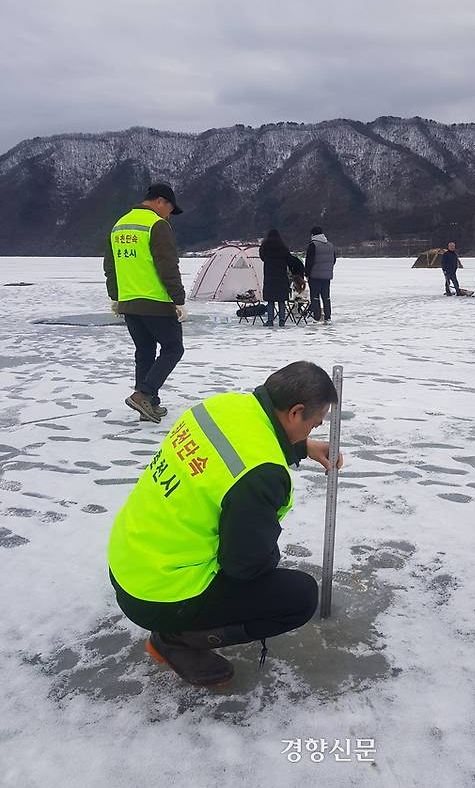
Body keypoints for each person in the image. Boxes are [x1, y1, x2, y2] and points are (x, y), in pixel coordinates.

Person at [107, 361, 343, 687]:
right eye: (313, 426)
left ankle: (178, 625)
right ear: (295, 412)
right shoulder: (262, 476)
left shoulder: (221, 406)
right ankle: (177, 639)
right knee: (299, 597)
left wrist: (300, 447)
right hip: (159, 595)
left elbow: (236, 451)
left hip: (129, 561)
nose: (312, 431)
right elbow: (244, 568)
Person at [104, 183, 187, 423]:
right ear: (160, 201)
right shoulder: (157, 225)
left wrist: (115, 296)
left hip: (129, 302)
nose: (169, 215)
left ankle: (150, 404)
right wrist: (178, 299)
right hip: (155, 301)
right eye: (170, 209)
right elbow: (168, 265)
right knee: (173, 348)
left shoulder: (119, 225)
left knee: (145, 351)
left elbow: (110, 266)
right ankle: (144, 394)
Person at [259, 229, 302, 327]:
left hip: (269, 276)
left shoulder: (264, 246)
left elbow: (262, 257)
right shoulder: (283, 246)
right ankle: (282, 320)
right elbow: (289, 259)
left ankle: (270, 321)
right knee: (281, 300)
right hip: (281, 276)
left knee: (270, 300)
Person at [305, 226, 336, 323]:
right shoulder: (330, 245)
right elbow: (333, 260)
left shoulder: (313, 245)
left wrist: (307, 273)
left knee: (315, 296)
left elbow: (309, 261)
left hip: (314, 275)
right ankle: (328, 317)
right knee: (326, 296)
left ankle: (317, 317)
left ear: (313, 234)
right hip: (326, 276)